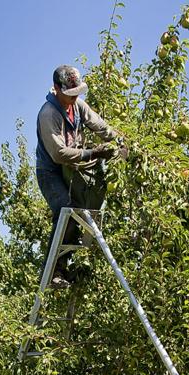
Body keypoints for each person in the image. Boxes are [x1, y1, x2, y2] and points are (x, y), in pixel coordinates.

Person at [35, 64, 121, 287]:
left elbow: (102, 127)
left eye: (77, 93)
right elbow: (59, 153)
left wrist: (121, 142)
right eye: (70, 94)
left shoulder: (78, 107)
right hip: (51, 171)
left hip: (72, 168)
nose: (74, 98)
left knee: (84, 208)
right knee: (66, 209)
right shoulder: (48, 114)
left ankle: (65, 266)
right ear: (56, 88)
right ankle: (53, 270)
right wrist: (93, 152)